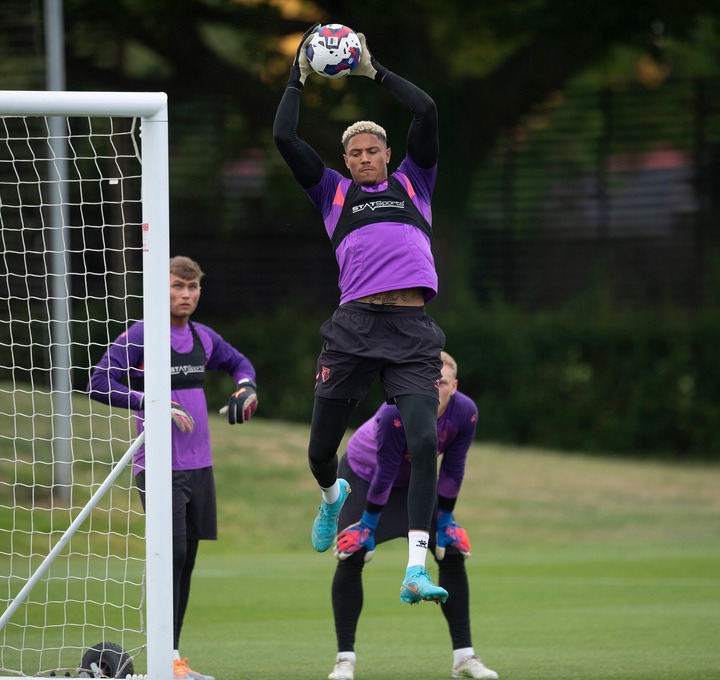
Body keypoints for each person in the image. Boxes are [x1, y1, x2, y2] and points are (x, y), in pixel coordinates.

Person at [273, 24, 447, 605]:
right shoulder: (332, 193)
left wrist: (373, 71)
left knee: (423, 440)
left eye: (374, 149)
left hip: (412, 330)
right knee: (320, 452)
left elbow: (425, 109)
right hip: (354, 328)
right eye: (355, 152)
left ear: (388, 155)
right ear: (345, 162)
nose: (366, 157)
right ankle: (331, 499)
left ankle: (415, 569)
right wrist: (298, 77)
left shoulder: (415, 183)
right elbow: (284, 136)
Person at [87, 256, 258, 680]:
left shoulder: (203, 337)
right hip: (159, 466)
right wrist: (150, 402)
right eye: (177, 286)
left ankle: (173, 658)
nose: (186, 294)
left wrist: (246, 388)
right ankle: (166, 659)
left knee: (188, 559)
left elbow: (241, 364)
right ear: (159, 289)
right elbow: (98, 382)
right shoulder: (142, 335)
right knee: (173, 555)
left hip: (200, 466)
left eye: (192, 287)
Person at [327, 352, 498, 680]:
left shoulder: (465, 412)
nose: (436, 389)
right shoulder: (394, 411)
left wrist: (445, 519)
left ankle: (464, 658)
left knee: (451, 551)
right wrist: (368, 524)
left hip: (416, 481)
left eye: (443, 383)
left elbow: (453, 467)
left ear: (454, 387)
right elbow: (386, 469)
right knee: (352, 553)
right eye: (431, 382)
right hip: (366, 475)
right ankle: (344, 660)